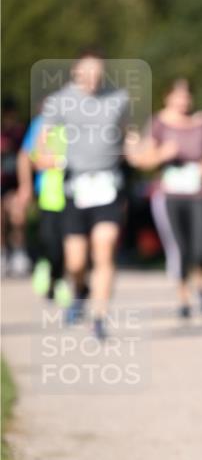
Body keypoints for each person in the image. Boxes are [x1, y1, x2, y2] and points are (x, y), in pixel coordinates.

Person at [36, 50, 142, 340]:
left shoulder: (118, 99)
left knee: (105, 248)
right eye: (87, 73)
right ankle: (80, 289)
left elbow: (128, 134)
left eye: (97, 73)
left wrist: (135, 148)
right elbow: (42, 142)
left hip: (108, 186)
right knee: (75, 261)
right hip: (76, 187)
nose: (92, 79)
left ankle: (99, 317)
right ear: (75, 72)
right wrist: (48, 158)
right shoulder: (60, 101)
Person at [137, 79, 202, 319]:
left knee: (201, 244)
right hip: (169, 193)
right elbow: (143, 159)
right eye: (177, 96)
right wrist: (162, 154)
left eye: (186, 96)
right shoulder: (158, 123)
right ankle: (183, 297)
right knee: (180, 247)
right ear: (167, 97)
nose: (182, 101)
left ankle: (201, 286)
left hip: (197, 192)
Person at [20, 109, 70, 306]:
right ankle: (46, 265)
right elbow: (30, 158)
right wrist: (25, 186)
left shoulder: (86, 124)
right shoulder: (44, 123)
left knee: (70, 243)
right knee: (51, 240)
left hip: (78, 196)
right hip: (50, 193)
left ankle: (59, 280)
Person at [1, 97, 30, 277]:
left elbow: (26, 157)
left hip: (14, 183)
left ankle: (19, 252)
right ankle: (3, 254)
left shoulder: (20, 133)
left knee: (18, 216)